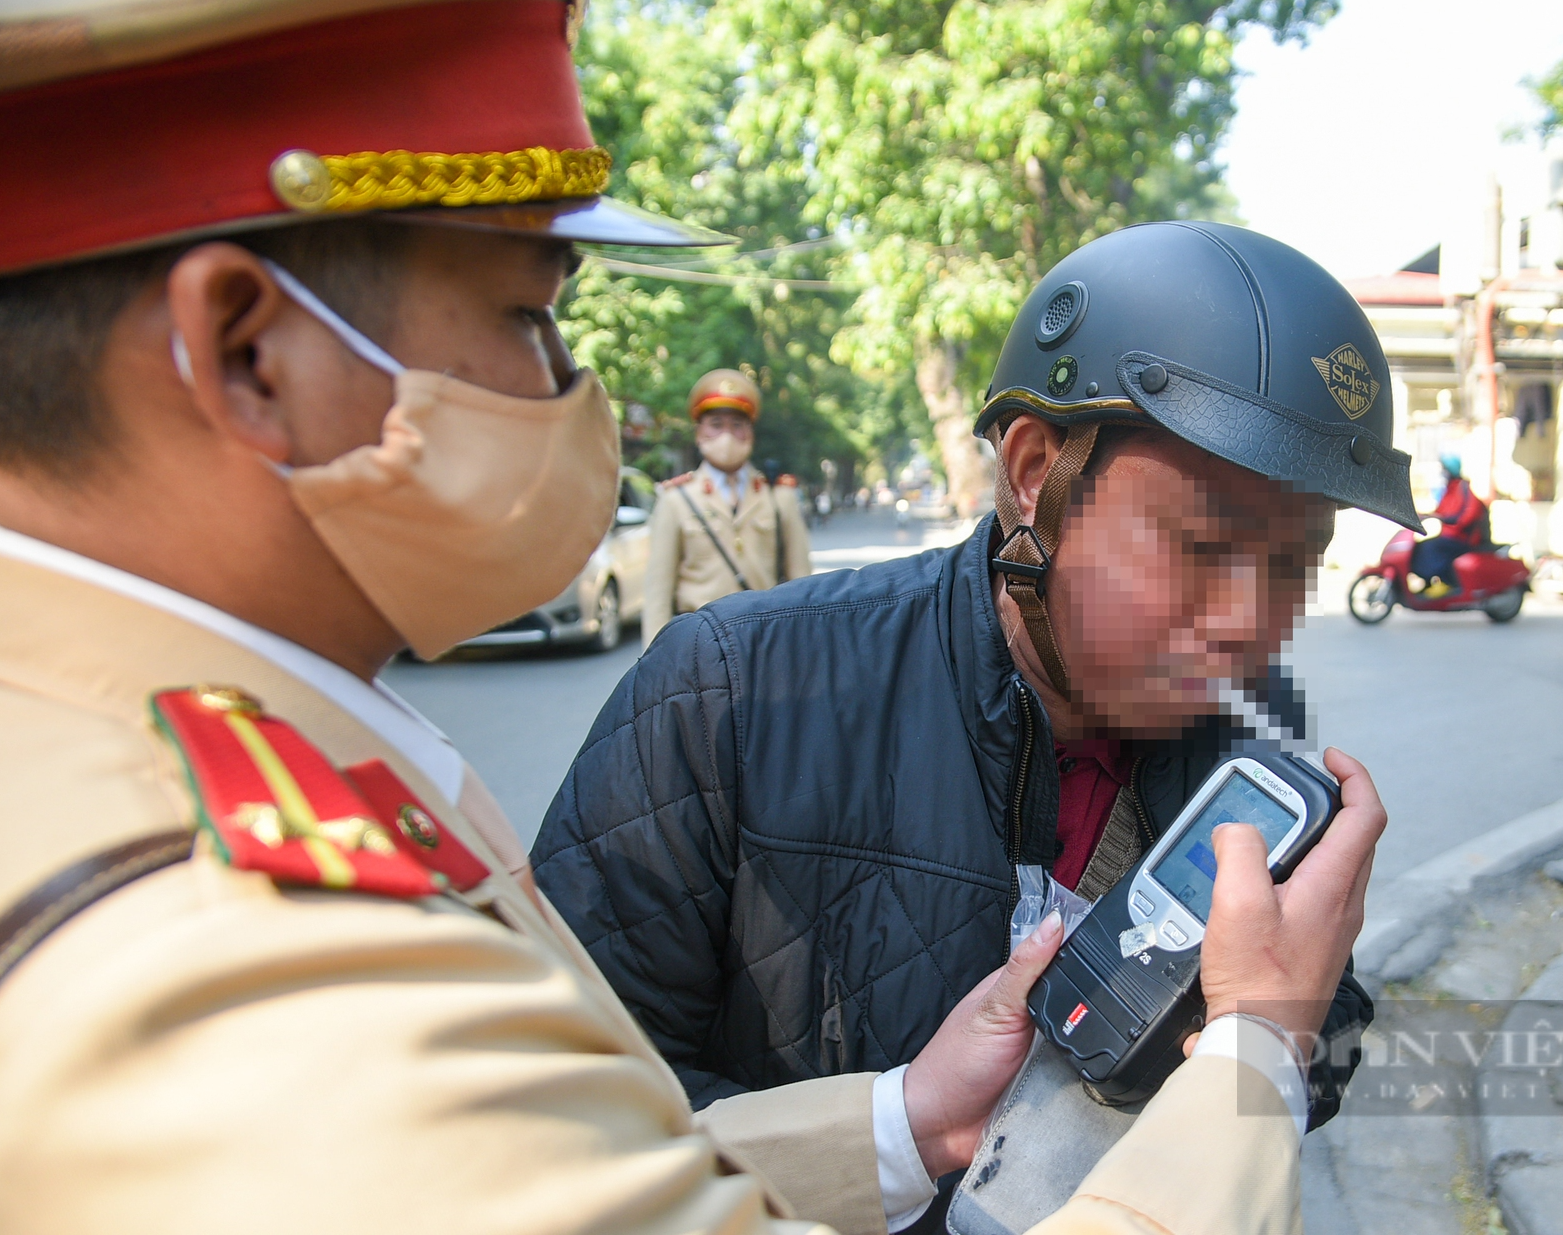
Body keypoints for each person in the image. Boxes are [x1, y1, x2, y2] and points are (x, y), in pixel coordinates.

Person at [0, 0, 1387, 1235]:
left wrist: (917, 1118)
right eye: (528, 316)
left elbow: (598, 1151)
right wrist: (1251, 1043)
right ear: (249, 350)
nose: (570, 390)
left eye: (1296, 563)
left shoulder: (206, 763)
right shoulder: (233, 965)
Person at [531, 221, 1425, 1226]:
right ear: (1036, 469)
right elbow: (550, 1135)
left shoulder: (1251, 731)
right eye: (1203, 548)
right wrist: (898, 1128)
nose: (1250, 628)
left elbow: (1323, 1037)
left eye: (1294, 568)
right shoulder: (732, 693)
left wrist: (1271, 1028)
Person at [642, 368, 812, 644]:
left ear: (750, 432)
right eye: (716, 424)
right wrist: (655, 664)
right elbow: (658, 594)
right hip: (697, 647)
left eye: (737, 425)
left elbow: (801, 583)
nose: (727, 435)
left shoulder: (779, 496)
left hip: (764, 643)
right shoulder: (676, 500)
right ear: (699, 432)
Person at [1410, 453, 1488, 595]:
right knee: (1420, 546)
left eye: (1445, 470)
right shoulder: (1451, 489)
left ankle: (1447, 582)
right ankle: (1430, 582)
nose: (1443, 473)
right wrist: (1423, 515)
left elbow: (1467, 515)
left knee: (1430, 548)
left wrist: (1450, 520)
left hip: (1462, 538)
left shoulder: (1463, 489)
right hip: (1450, 535)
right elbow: (1441, 510)